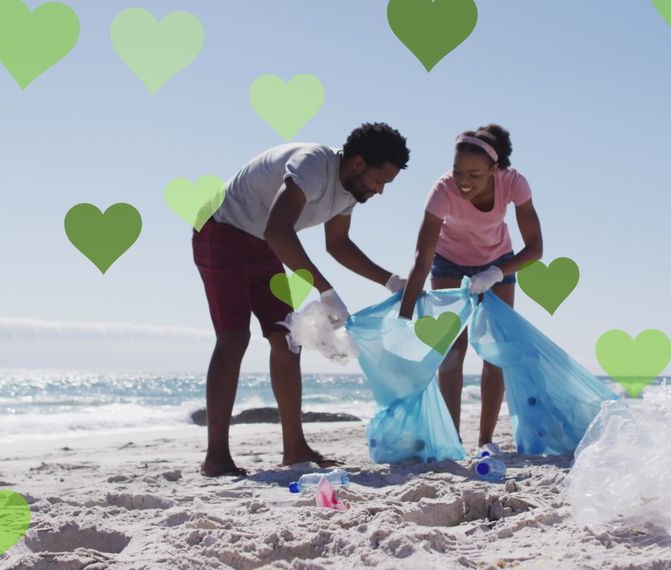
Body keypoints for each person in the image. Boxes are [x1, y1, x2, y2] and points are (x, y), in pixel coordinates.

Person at [193, 123, 411, 477]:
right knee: (234, 336)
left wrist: (390, 281)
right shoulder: (313, 165)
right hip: (220, 228)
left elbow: (338, 245)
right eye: (379, 180)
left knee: (287, 339)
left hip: (262, 243)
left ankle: (295, 448)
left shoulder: (349, 193)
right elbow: (278, 230)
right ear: (358, 163)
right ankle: (216, 456)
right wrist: (325, 291)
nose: (380, 190)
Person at [398, 124, 543, 449]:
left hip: (498, 262)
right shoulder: (442, 191)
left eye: (475, 174)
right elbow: (422, 260)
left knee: (496, 350)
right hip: (449, 262)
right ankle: (451, 439)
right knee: (451, 351)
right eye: (457, 171)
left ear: (495, 169)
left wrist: (495, 273)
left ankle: (486, 440)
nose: (463, 181)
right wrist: (404, 318)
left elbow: (535, 248)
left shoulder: (513, 183)